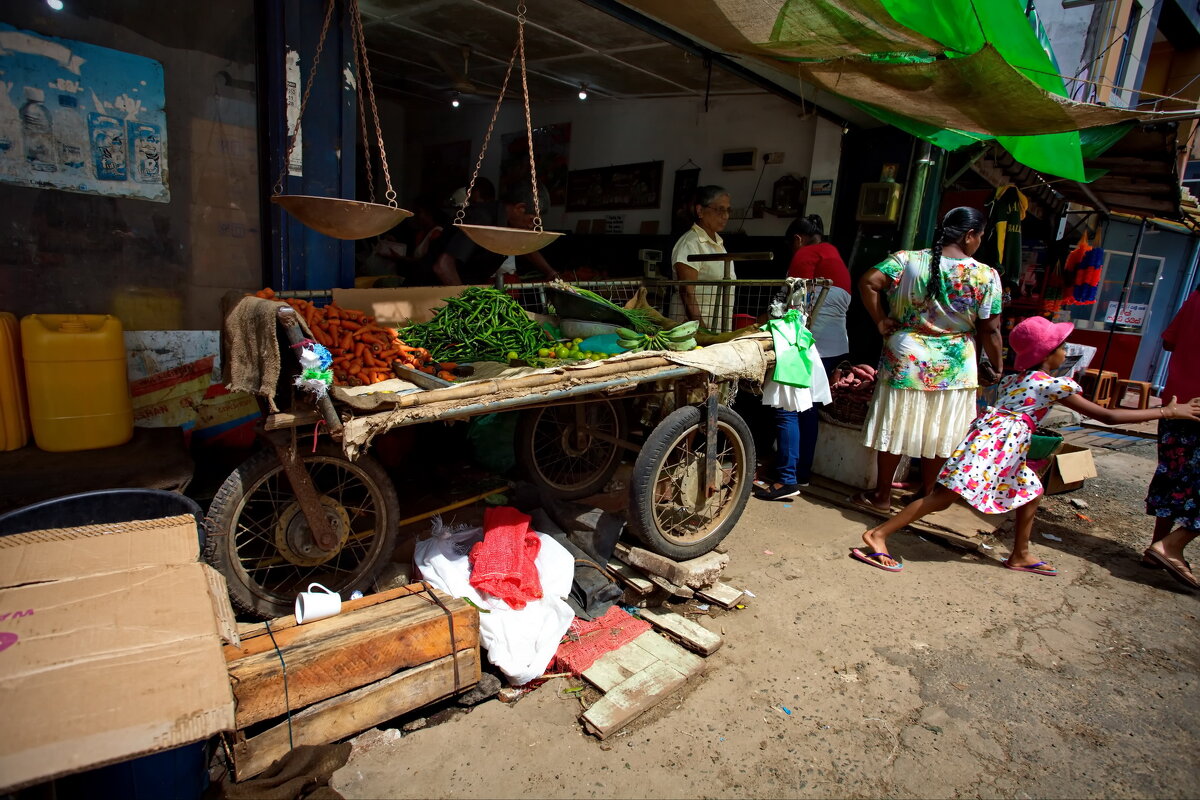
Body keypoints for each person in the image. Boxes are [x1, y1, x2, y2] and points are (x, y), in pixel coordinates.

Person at [851, 315, 1200, 574]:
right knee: (941, 499)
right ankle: (878, 535)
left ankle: (1020, 553)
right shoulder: (1051, 384)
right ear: (1049, 354)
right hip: (996, 445)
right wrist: (1169, 410)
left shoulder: (1020, 378)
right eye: (1062, 346)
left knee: (1030, 491)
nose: (1066, 351)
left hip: (997, 442)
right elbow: (1107, 418)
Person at [854, 206, 1005, 511]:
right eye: (981, 236)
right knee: (941, 431)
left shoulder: (907, 260)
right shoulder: (986, 275)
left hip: (906, 359)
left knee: (895, 427)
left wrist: (881, 320)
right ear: (970, 235)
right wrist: (998, 365)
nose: (980, 242)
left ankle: (882, 496)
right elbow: (990, 329)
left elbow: (869, 281)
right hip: (956, 365)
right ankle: (925, 496)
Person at [755, 215, 848, 500]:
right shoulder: (834, 256)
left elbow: (786, 307)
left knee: (786, 408)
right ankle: (801, 474)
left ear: (797, 239)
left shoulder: (806, 254)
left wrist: (754, 327)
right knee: (807, 410)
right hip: (836, 346)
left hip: (807, 344)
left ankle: (786, 480)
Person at [1142, 284, 1200, 588]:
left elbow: (1169, 342)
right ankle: (1170, 546)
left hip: (1178, 404)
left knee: (1171, 475)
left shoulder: (1194, 297)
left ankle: (1156, 549)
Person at [432, 179, 558, 286]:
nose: (532, 226)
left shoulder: (509, 221)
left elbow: (526, 247)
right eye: (532, 220)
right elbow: (443, 267)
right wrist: (462, 302)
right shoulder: (480, 218)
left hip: (469, 283)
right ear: (519, 208)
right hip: (435, 288)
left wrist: (550, 273)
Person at [669, 185, 734, 330]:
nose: (726, 216)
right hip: (692, 331)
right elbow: (687, 292)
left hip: (717, 330)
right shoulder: (690, 244)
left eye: (728, 210)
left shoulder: (719, 244)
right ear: (700, 211)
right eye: (720, 210)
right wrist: (703, 332)